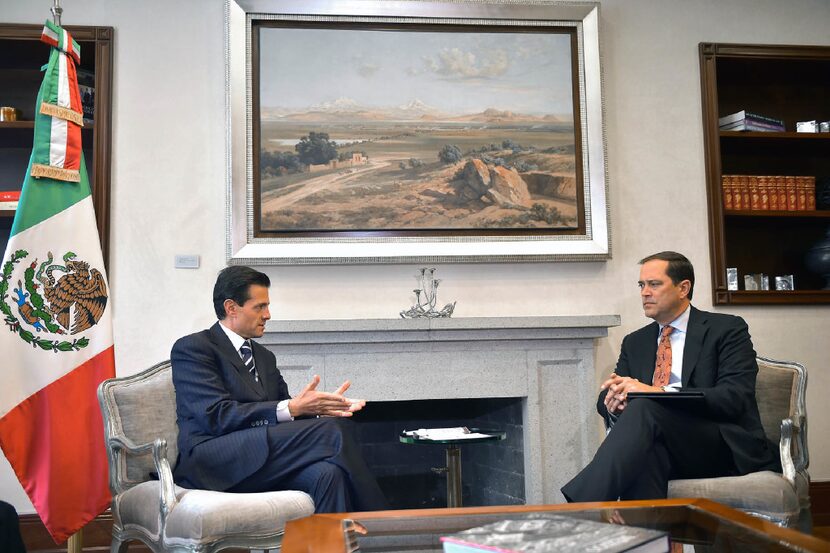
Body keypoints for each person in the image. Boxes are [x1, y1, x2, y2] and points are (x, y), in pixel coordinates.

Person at [561, 251, 780, 502]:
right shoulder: (636, 342)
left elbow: (734, 398)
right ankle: (646, 540)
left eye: (654, 284)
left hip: (717, 445)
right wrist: (614, 403)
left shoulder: (726, 329)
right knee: (647, 452)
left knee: (644, 408)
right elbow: (611, 394)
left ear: (683, 288)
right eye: (641, 285)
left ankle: (582, 505)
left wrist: (655, 392)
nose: (644, 292)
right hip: (660, 442)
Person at [171, 266, 387, 512]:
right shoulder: (195, 348)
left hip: (260, 458)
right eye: (259, 307)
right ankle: (385, 531)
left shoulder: (264, 357)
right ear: (231, 308)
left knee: (328, 474)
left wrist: (318, 410)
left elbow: (284, 409)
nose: (268, 314)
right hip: (213, 461)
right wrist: (295, 408)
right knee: (333, 431)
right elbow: (215, 416)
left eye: (267, 306)